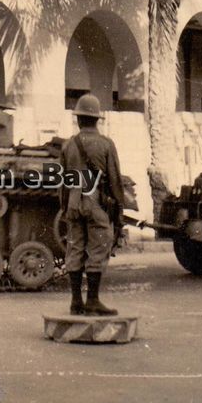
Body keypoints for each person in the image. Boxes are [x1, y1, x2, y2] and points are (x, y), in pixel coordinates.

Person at [59, 94, 126, 316]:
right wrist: (119, 211)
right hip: (96, 202)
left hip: (73, 204)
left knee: (75, 247)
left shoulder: (69, 145)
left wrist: (66, 207)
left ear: (79, 119)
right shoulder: (106, 144)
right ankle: (93, 300)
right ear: (96, 120)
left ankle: (75, 301)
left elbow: (64, 182)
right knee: (98, 248)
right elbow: (115, 180)